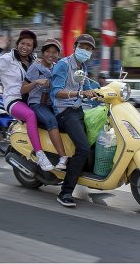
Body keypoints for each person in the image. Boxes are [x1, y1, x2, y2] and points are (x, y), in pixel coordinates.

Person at [0, 30, 53, 171]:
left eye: (29, 44)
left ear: (32, 48)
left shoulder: (34, 60)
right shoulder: (7, 58)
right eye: (22, 43)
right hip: (14, 100)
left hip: (32, 99)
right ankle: (40, 154)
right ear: (17, 44)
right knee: (30, 115)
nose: (25, 47)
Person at [51, 34, 99, 207]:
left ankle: (83, 175)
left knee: (94, 140)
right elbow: (56, 91)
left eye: (89, 49)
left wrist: (101, 92)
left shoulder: (83, 66)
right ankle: (65, 192)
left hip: (78, 109)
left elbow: (86, 86)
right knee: (83, 148)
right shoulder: (63, 65)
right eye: (83, 47)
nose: (85, 51)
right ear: (75, 46)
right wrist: (78, 94)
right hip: (64, 111)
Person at [21, 38, 69, 170]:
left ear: (58, 55)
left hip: (52, 104)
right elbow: (23, 89)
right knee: (51, 120)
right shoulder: (35, 67)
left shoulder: (57, 67)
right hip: (37, 104)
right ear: (43, 53)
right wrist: (36, 82)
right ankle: (62, 157)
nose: (51, 54)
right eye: (48, 51)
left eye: (54, 52)